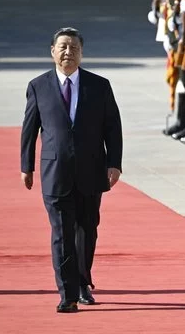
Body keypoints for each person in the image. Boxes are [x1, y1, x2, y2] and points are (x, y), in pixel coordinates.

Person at [20, 27, 123, 313]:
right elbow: (29, 130)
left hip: (92, 170)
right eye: (63, 47)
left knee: (87, 230)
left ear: (82, 52)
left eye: (74, 47)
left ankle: (82, 282)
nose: (68, 52)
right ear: (52, 51)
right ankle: (67, 293)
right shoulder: (38, 86)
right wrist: (26, 165)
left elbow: (112, 127)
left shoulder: (99, 86)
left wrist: (114, 163)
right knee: (61, 232)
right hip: (55, 172)